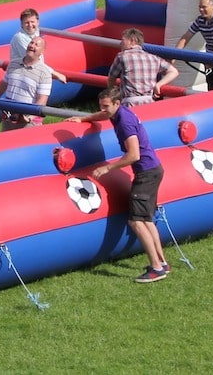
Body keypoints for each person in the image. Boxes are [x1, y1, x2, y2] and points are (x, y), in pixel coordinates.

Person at [66, 88, 169, 283]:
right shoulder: (118, 112)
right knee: (146, 220)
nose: (103, 109)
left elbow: (134, 155)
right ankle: (162, 263)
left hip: (146, 173)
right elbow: (104, 115)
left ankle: (156, 267)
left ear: (117, 103)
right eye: (101, 106)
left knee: (136, 222)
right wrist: (84, 119)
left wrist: (107, 169)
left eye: (106, 106)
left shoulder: (125, 123)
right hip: (154, 169)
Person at [173, 0, 213, 90]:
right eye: (200, 7)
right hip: (210, 59)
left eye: (204, 7)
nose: (201, 10)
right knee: (211, 86)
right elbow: (186, 37)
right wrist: (174, 55)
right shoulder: (200, 20)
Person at [0, 36, 53, 131]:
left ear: (42, 51)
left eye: (36, 45)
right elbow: (3, 83)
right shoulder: (13, 64)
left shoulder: (44, 73)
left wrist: (29, 118)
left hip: (29, 122)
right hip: (9, 117)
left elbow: (42, 101)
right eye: (31, 43)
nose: (32, 46)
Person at [108, 28, 179, 107]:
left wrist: (113, 95)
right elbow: (174, 71)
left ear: (133, 40)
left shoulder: (122, 56)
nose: (120, 43)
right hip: (149, 101)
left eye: (123, 40)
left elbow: (111, 78)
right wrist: (158, 85)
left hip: (130, 101)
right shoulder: (154, 58)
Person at [9, 8, 67, 83]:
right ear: (21, 24)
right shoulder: (20, 38)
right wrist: (55, 74)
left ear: (38, 22)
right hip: (22, 76)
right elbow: (32, 60)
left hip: (33, 72)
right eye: (26, 22)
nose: (30, 25)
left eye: (32, 22)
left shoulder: (35, 31)